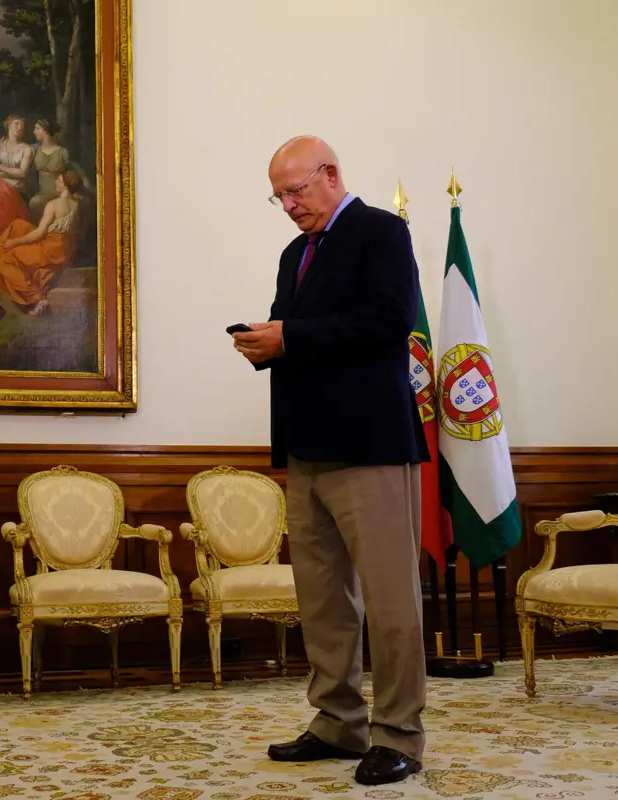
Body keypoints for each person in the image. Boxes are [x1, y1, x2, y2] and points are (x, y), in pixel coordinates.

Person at [232, 136, 429, 787]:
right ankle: (337, 722)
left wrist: (290, 336)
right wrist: (266, 342)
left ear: (332, 174)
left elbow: (387, 318)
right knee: (322, 599)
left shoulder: (380, 232)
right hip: (306, 447)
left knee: (390, 598)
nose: (288, 205)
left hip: (370, 445)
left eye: (297, 190)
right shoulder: (296, 253)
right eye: (279, 196)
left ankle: (398, 734)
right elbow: (301, 331)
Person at [0, 170, 83, 316]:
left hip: (50, 249)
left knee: (5, 262)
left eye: (59, 180)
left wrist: (15, 242)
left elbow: (39, 233)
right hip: (64, 247)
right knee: (18, 225)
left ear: (65, 184)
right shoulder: (76, 205)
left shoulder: (54, 204)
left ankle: (38, 299)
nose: (56, 182)